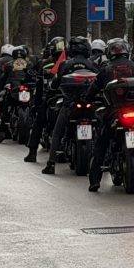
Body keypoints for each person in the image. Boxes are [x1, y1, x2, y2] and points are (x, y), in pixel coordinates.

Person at [87, 38, 134, 192]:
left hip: (114, 112)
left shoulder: (106, 68)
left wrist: (87, 98)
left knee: (101, 143)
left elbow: (94, 88)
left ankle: (95, 180)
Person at [41, 36, 98, 175]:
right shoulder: (92, 64)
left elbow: (55, 83)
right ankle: (103, 159)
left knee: (57, 132)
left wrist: (51, 89)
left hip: (70, 104)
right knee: (101, 128)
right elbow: (99, 83)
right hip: (89, 104)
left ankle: (51, 163)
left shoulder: (65, 64)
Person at [24, 37, 66, 163]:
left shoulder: (46, 63)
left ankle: (32, 152)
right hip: (67, 99)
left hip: (51, 98)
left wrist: (36, 105)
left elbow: (40, 85)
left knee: (38, 122)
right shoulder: (69, 62)